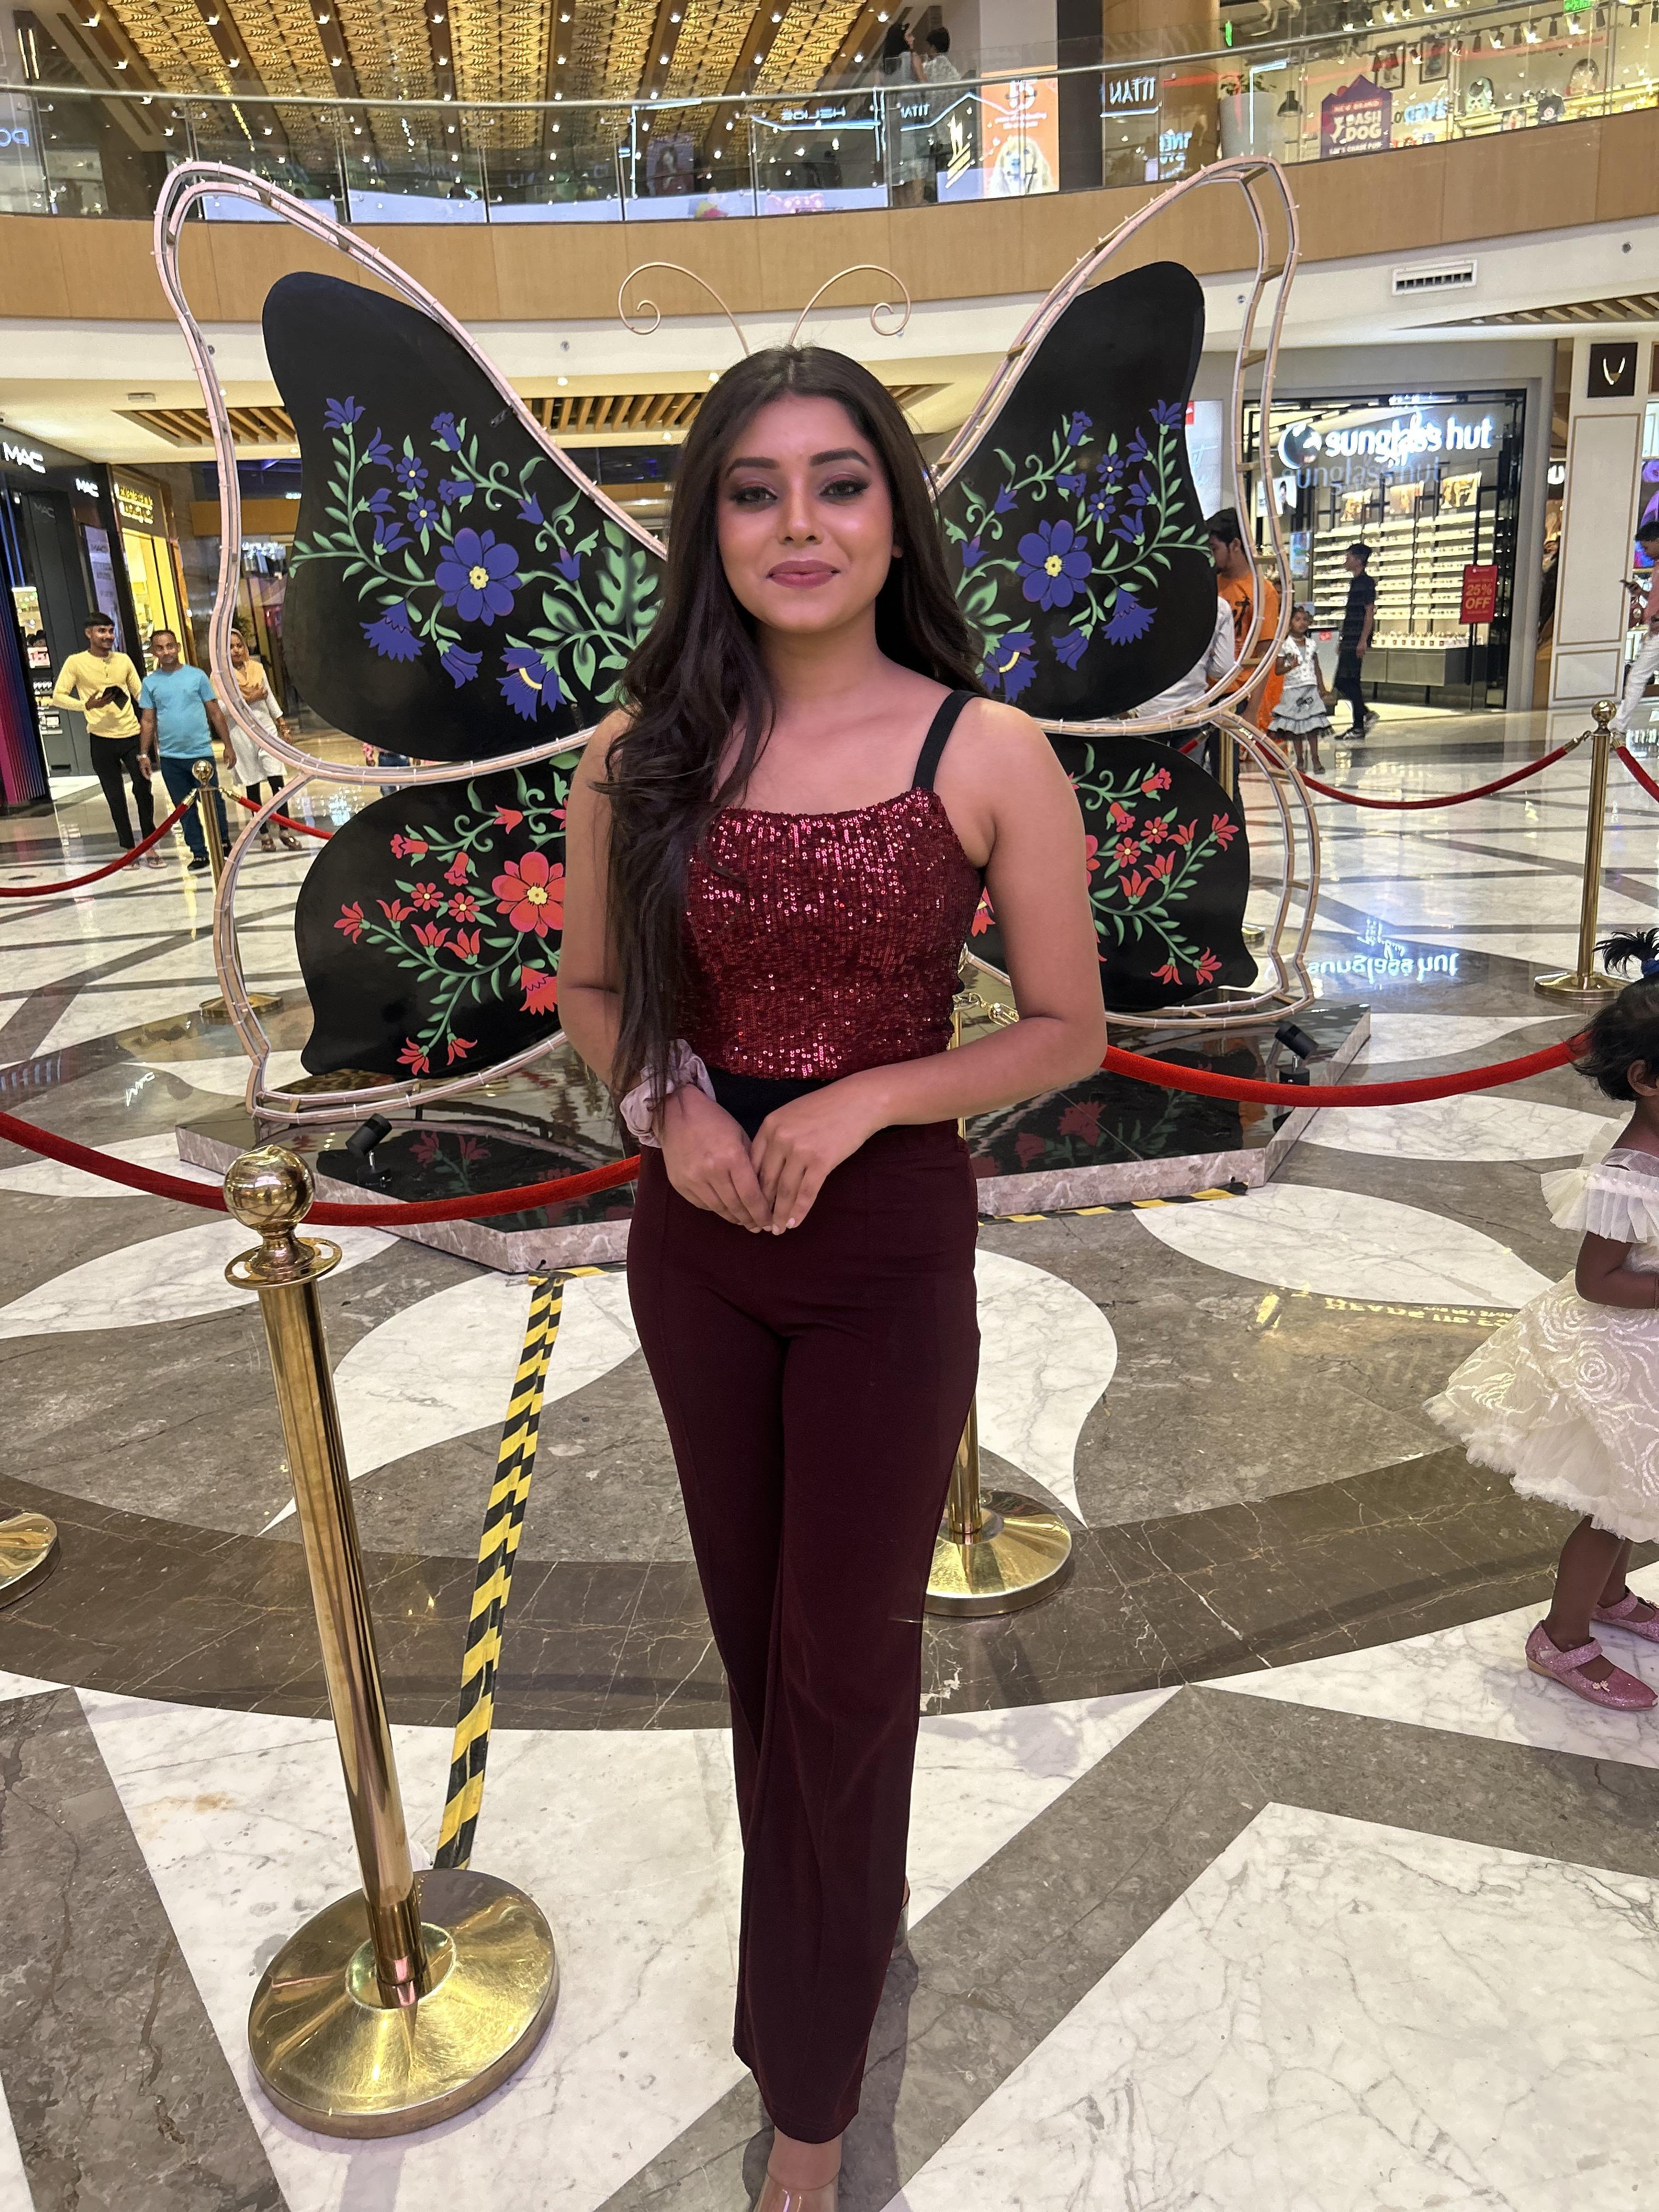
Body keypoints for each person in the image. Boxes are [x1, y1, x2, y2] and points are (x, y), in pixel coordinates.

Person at [559, 346, 1105, 2210]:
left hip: (885, 1252)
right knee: (757, 1646)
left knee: (845, 1661)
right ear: (709, 523)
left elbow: (1064, 1029)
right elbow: (595, 994)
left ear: (893, 515)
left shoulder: (986, 750)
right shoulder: (636, 756)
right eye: (756, 488)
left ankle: (808, 2087)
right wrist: (663, 1103)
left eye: (840, 481)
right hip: (697, 1247)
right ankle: (833, 1931)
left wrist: (869, 1090)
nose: (800, 521)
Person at [1426, 928, 1659, 1714]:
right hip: (1620, 1354)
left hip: (1648, 1346)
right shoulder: (1630, 1174)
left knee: (1634, 1494)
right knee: (1612, 1506)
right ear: (1646, 1079)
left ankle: (1612, 1597)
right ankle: (1562, 1638)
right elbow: (1599, 1281)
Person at [49, 614, 163, 866]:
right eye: (102, 631)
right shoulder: (76, 662)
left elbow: (140, 693)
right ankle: (129, 849)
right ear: (88, 633)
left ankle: (150, 846)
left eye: (111, 631)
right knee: (115, 796)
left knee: (144, 790)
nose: (108, 636)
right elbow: (58, 696)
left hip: (131, 735)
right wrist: (85, 705)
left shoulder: (123, 660)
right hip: (100, 739)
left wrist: (156, 711)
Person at [137, 629, 231, 874]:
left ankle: (222, 842)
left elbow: (215, 712)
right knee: (183, 807)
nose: (166, 652)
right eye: (160, 648)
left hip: (201, 754)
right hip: (171, 758)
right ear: (154, 651)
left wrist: (228, 745)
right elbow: (148, 720)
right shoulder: (150, 683)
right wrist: (144, 754)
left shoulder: (197, 676)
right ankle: (198, 852)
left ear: (177, 647)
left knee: (214, 802)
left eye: (170, 646)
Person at [227, 628, 301, 851]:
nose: (236, 650)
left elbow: (269, 699)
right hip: (240, 733)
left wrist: (282, 725)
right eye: (230, 647)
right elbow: (223, 708)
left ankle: (285, 830)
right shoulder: (221, 676)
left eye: (239, 645)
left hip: (266, 729)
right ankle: (264, 833)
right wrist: (250, 698)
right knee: (252, 785)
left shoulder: (257, 668)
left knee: (277, 778)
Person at [895, 25, 962, 206]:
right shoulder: (953, 71)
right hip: (948, 130)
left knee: (927, 173)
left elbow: (923, 90)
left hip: (930, 128)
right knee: (945, 174)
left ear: (932, 47)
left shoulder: (929, 68)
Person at [1267, 603, 1333, 775]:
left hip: (1310, 688)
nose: (1302, 623)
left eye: (1305, 620)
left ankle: (1316, 759)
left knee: (1312, 726)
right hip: (1293, 689)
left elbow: (1316, 667)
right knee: (1296, 727)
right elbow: (1278, 670)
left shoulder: (1312, 644)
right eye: (1297, 620)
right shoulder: (1285, 645)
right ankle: (1300, 759)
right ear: (1290, 623)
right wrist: (1291, 666)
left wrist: (1321, 687)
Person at [1613, 518, 1659, 735]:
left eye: (1647, 547)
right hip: (1654, 629)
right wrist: (1641, 593)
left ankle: (1619, 725)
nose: (1645, 553)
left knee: (1637, 676)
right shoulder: (1657, 566)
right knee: (1638, 676)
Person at [1333, 541, 1377, 741]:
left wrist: (1363, 640)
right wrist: (1344, 638)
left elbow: (1369, 613)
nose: (1346, 560)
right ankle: (1359, 722)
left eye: (1349, 557)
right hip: (1350, 638)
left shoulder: (1366, 583)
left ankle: (1363, 716)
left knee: (1344, 680)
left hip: (1356, 639)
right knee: (1350, 680)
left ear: (1358, 560)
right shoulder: (1355, 582)